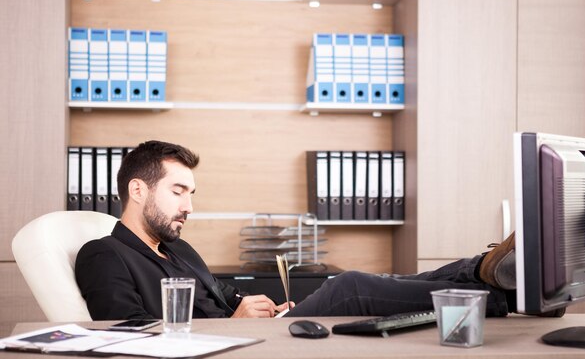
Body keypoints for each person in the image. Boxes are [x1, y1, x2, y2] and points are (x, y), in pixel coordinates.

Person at [74, 140, 542, 320]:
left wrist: (254, 304)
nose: (189, 206)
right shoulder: (104, 254)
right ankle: (492, 281)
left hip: (253, 335)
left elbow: (220, 291)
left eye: (191, 193)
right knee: (352, 286)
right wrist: (229, 324)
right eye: (178, 191)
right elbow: (124, 333)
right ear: (137, 190)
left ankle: (490, 279)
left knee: (354, 286)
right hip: (222, 348)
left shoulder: (176, 249)